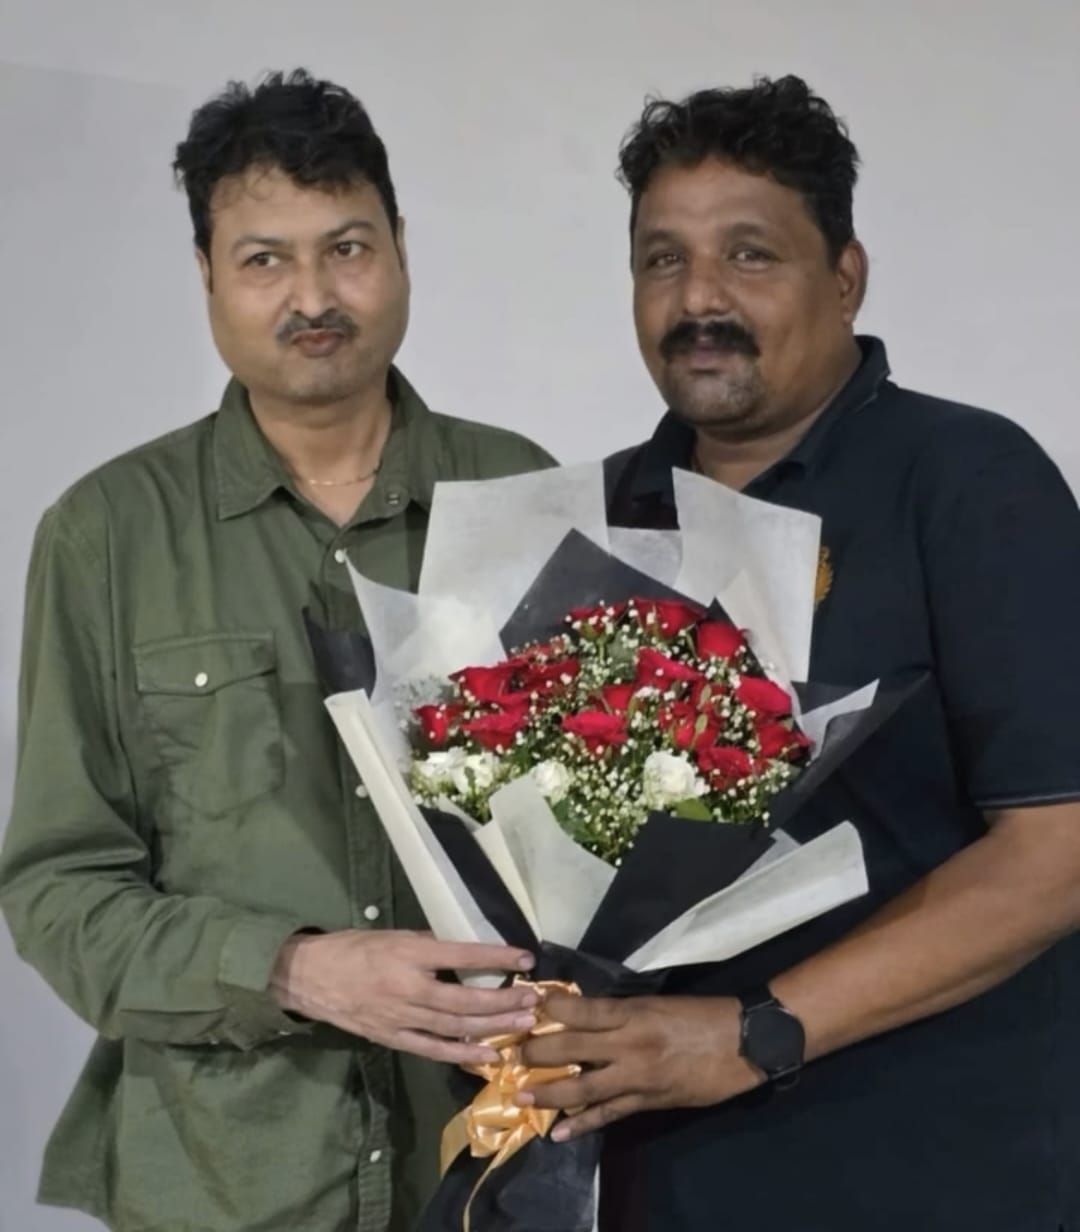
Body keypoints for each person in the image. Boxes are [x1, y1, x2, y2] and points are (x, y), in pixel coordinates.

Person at [519, 75, 1080, 1231]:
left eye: (750, 255)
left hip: (930, 1173)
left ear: (846, 276)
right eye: (662, 260)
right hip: (657, 1175)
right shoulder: (594, 518)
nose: (699, 297)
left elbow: (1059, 849)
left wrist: (754, 1031)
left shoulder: (969, 482)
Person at [0, 69, 552, 1232]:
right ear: (207, 273)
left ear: (400, 248)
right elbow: (56, 887)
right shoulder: (106, 534)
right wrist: (295, 967)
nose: (313, 295)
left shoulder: (520, 490)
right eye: (264, 259)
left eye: (347, 247)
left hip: (500, 1158)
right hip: (227, 1178)